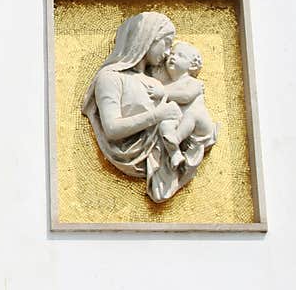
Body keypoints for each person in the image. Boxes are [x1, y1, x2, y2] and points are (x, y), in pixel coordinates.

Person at [82, 11, 211, 203]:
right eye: (166, 43)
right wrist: (156, 115)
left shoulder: (156, 83)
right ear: (147, 38)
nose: (168, 52)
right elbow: (111, 128)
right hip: (130, 154)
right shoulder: (111, 78)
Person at [149, 41, 218, 169]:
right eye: (172, 54)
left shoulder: (194, 83)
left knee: (192, 113)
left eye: (181, 55)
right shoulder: (167, 85)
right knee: (165, 124)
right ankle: (175, 154)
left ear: (192, 66)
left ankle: (176, 138)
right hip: (182, 125)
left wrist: (163, 92)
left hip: (201, 126)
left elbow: (186, 96)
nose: (173, 57)